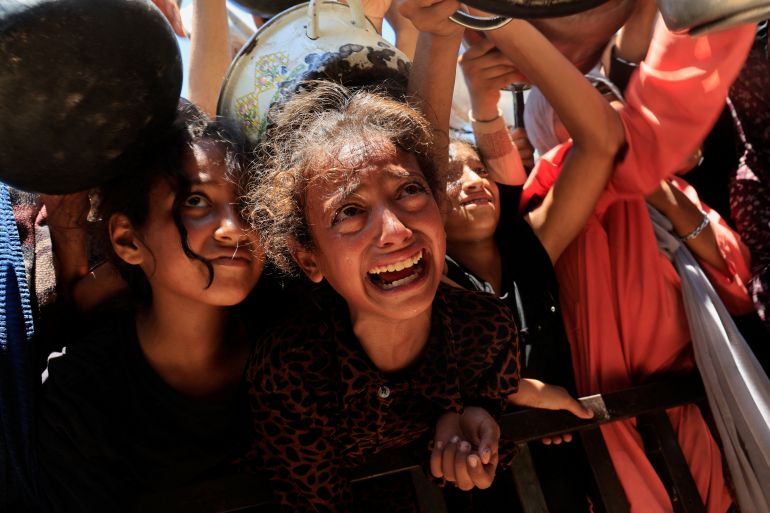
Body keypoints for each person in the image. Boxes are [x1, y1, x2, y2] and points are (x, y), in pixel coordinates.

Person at [241, 75, 595, 511]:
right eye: (350, 212)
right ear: (309, 259)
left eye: (409, 191)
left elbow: (491, 443)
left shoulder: (486, 330)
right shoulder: (294, 364)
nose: (395, 231)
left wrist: (475, 430)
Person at [452, 7, 755, 513]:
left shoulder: (668, 189)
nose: (612, 116)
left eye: (612, 102)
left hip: (692, 396)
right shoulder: (546, 202)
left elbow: (738, 279)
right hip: (605, 414)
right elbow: (600, 147)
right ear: (554, 119)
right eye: (585, 104)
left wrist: (656, 191)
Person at [27, 102, 267, 512]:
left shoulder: (293, 337)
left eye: (247, 203)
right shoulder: (82, 396)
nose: (236, 228)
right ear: (127, 241)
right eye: (195, 202)